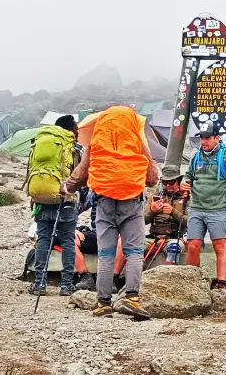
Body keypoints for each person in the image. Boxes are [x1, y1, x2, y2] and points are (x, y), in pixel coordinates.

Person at [65, 106, 158, 320]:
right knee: (134, 252)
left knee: (106, 254)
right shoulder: (137, 141)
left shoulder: (95, 142)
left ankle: (103, 303)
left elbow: (81, 173)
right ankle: (132, 297)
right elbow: (152, 177)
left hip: (104, 202)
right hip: (132, 202)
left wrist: (67, 188)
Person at [24, 115, 83, 297]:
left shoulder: (41, 141)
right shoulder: (72, 147)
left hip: (41, 200)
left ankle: (39, 283)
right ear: (69, 129)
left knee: (43, 240)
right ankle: (66, 285)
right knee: (67, 240)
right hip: (65, 200)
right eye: (76, 128)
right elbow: (78, 175)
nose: (78, 131)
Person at [186, 129, 226, 294]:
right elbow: (189, 176)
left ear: (217, 138)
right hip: (196, 209)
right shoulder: (196, 156)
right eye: (201, 138)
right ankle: (193, 281)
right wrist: (186, 182)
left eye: (207, 138)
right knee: (193, 245)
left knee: (219, 246)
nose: (204, 142)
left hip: (218, 209)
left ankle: (221, 284)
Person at [145, 165, 189, 247]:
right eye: (165, 182)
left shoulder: (187, 198)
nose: (168, 185)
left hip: (174, 238)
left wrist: (173, 212)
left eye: (171, 182)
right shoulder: (155, 196)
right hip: (153, 237)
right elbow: (143, 221)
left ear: (178, 181)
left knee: (174, 248)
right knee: (133, 248)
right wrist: (152, 211)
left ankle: (170, 260)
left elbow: (189, 223)